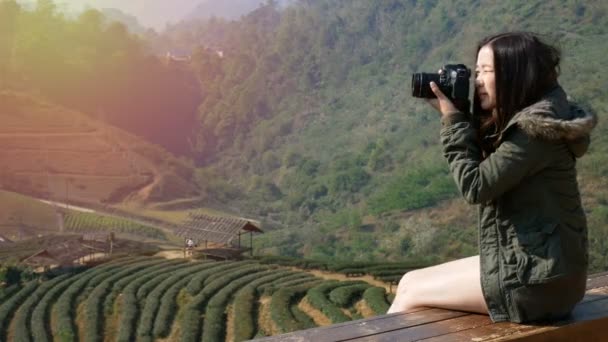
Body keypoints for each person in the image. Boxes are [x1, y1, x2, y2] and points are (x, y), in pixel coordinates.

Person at [388, 32, 598, 323]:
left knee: (411, 296)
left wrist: (451, 121)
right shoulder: (540, 114)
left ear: (517, 75)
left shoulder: (534, 131)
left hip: (537, 283)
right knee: (409, 281)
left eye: (487, 71)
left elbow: (476, 187)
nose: (477, 80)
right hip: (541, 269)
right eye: (476, 71)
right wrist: (462, 112)